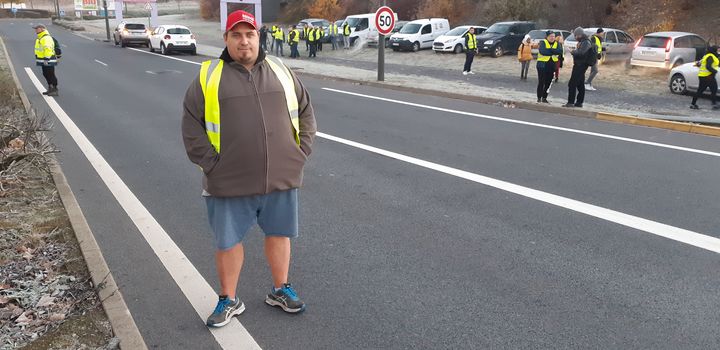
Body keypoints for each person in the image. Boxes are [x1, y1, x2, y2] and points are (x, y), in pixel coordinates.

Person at [182, 10, 317, 327]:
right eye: (237, 35)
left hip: (281, 177)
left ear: (259, 37)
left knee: (280, 234)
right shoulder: (208, 77)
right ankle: (228, 299)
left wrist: (301, 152)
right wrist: (213, 165)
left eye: (250, 34)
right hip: (228, 182)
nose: (244, 41)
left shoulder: (281, 71)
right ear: (226, 39)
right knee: (227, 243)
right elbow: (191, 127)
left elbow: (306, 111)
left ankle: (280, 289)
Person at [565, 27, 594, 108]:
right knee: (580, 84)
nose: (575, 37)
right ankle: (579, 102)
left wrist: (573, 52)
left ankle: (570, 102)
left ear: (579, 35)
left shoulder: (586, 42)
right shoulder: (584, 41)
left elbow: (581, 53)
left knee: (572, 84)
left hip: (580, 65)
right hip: (580, 65)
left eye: (575, 36)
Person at [536, 31, 563, 103]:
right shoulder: (543, 42)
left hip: (552, 65)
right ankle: (539, 97)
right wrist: (553, 51)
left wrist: (550, 50)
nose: (552, 38)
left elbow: (560, 51)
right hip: (542, 65)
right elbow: (543, 51)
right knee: (541, 82)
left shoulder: (557, 43)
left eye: (553, 36)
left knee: (548, 82)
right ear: (547, 37)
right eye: (551, 36)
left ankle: (544, 98)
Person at [690, 45, 719, 110]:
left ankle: (693, 104)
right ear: (714, 50)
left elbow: (698, 64)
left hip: (702, 76)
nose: (718, 51)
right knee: (714, 89)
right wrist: (714, 71)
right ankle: (714, 104)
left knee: (700, 90)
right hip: (708, 76)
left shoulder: (706, 56)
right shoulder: (711, 57)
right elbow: (708, 66)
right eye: (717, 49)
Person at [33, 24, 59, 96]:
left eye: (37, 28)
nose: (35, 30)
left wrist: (46, 59)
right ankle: (50, 88)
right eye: (35, 28)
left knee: (50, 73)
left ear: (42, 29)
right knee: (46, 73)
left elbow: (48, 49)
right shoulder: (40, 37)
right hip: (43, 59)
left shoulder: (46, 38)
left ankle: (54, 89)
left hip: (48, 59)